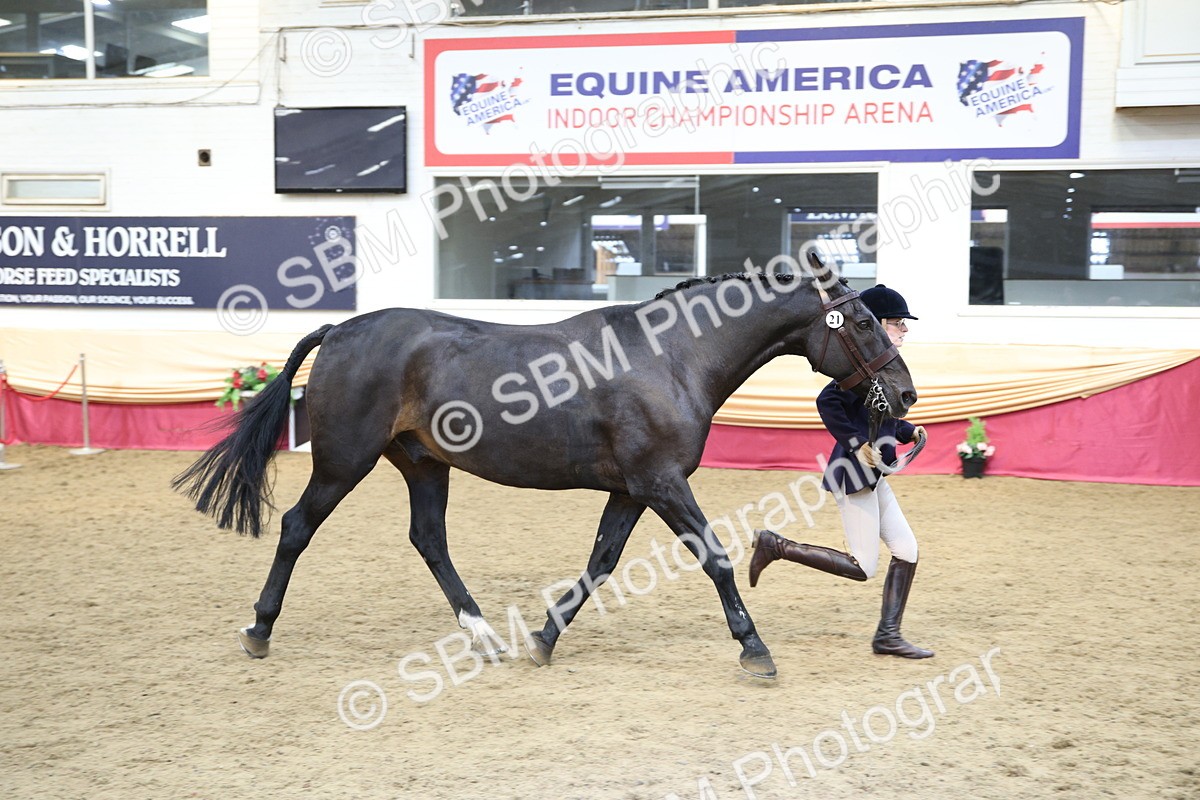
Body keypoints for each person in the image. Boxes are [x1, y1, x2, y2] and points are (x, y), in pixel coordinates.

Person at [748, 284, 933, 659]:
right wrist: (854, 442)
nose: (904, 330)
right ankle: (776, 545)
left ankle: (887, 636)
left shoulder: (879, 371)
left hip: (874, 474)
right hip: (854, 474)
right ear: (879, 325)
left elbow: (876, 416)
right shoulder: (860, 369)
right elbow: (828, 400)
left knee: (907, 550)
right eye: (898, 324)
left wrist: (906, 430)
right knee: (863, 565)